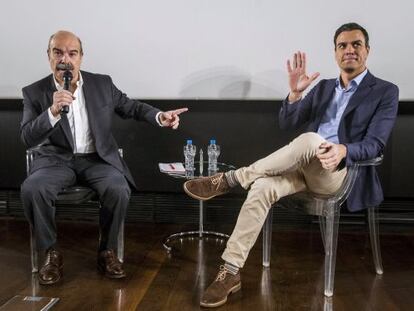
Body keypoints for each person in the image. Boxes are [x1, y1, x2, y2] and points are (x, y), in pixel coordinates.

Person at [183, 22, 398, 308]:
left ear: (367, 51)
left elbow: (376, 144)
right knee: (261, 186)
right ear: (335, 53)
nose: (349, 50)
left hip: (339, 172)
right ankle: (230, 272)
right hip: (303, 169)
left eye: (356, 44)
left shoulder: (384, 91)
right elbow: (287, 123)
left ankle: (230, 179)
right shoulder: (322, 88)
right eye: (342, 45)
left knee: (310, 139)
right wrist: (295, 95)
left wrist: (344, 149)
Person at [20, 30, 188, 285]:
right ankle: (50, 254)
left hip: (96, 159)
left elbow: (132, 107)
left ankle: (107, 251)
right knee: (33, 188)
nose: (65, 59)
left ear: (81, 57)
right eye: (58, 52)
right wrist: (53, 111)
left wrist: (160, 116)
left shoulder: (101, 84)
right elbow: (27, 137)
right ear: (49, 56)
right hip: (56, 161)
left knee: (118, 188)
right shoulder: (34, 92)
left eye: (72, 53)